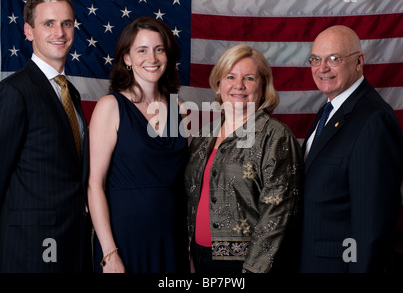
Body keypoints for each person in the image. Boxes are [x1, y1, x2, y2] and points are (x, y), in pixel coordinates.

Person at [184, 44, 304, 273]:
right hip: (198, 257)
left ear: (263, 87)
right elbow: (190, 199)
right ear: (218, 85)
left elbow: (278, 215)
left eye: (249, 78)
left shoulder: (275, 136)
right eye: (230, 76)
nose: (238, 85)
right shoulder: (203, 136)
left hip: (245, 264)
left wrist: (253, 269)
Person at [88, 16, 189, 273]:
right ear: (127, 58)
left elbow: (182, 185)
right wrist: (109, 253)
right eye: (142, 50)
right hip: (125, 240)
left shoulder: (179, 109)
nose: (152, 58)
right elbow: (94, 184)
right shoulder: (110, 107)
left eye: (159, 49)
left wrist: (188, 251)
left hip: (171, 237)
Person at [298, 25, 403, 273]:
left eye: (334, 58)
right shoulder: (328, 111)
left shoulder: (373, 119)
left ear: (359, 61)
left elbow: (373, 222)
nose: (322, 68)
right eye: (316, 59)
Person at [0, 0, 91, 272]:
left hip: (72, 241)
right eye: (48, 23)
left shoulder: (70, 93)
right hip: (29, 248)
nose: (59, 32)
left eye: (66, 23)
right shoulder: (14, 91)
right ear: (29, 31)